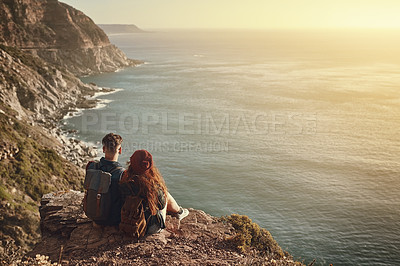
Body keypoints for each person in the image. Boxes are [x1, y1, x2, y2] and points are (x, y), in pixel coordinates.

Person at [120, 149, 189, 235]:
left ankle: (179, 211)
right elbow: (161, 205)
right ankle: (179, 212)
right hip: (150, 228)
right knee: (164, 194)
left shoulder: (124, 183)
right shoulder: (153, 187)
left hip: (126, 224)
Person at [86, 133, 125, 226]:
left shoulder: (91, 166)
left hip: (93, 216)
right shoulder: (122, 174)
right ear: (120, 150)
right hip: (113, 221)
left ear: (103, 149)